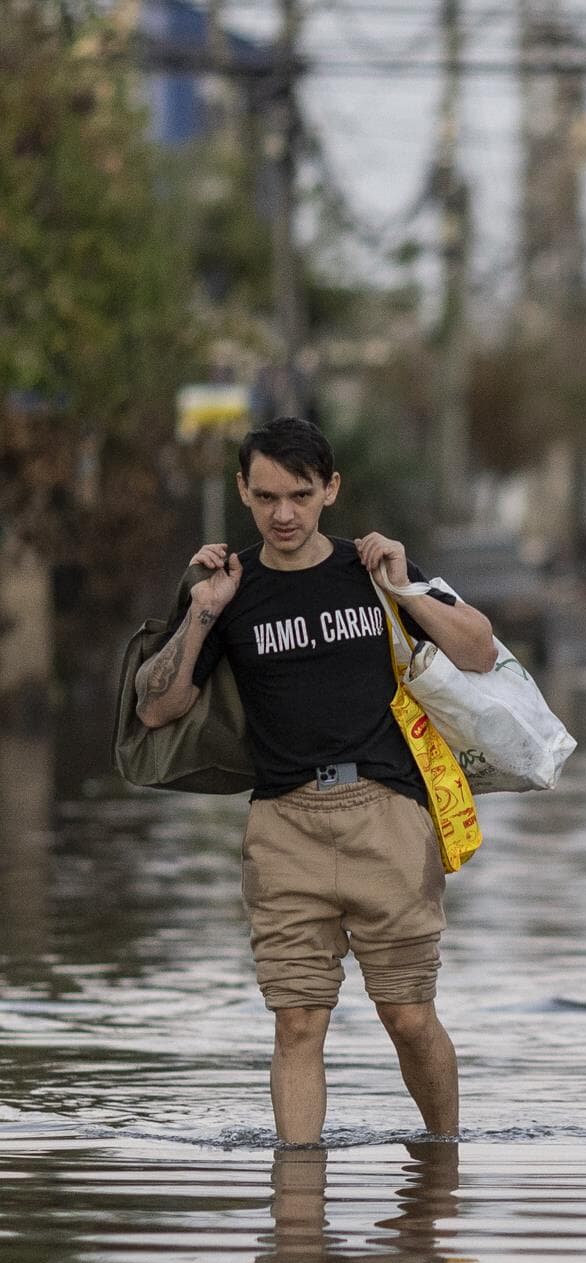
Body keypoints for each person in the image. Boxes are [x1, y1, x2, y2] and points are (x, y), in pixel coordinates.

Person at [134, 417, 496, 1143]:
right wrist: (201, 614)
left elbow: (481, 651)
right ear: (242, 490)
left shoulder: (373, 568)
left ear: (331, 489)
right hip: (284, 825)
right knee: (296, 1021)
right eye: (265, 496)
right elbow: (156, 707)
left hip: (388, 817)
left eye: (299, 494)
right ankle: (297, 1215)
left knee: (408, 1014)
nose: (283, 514)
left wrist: (407, 591)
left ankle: (444, 1162)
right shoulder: (227, 587)